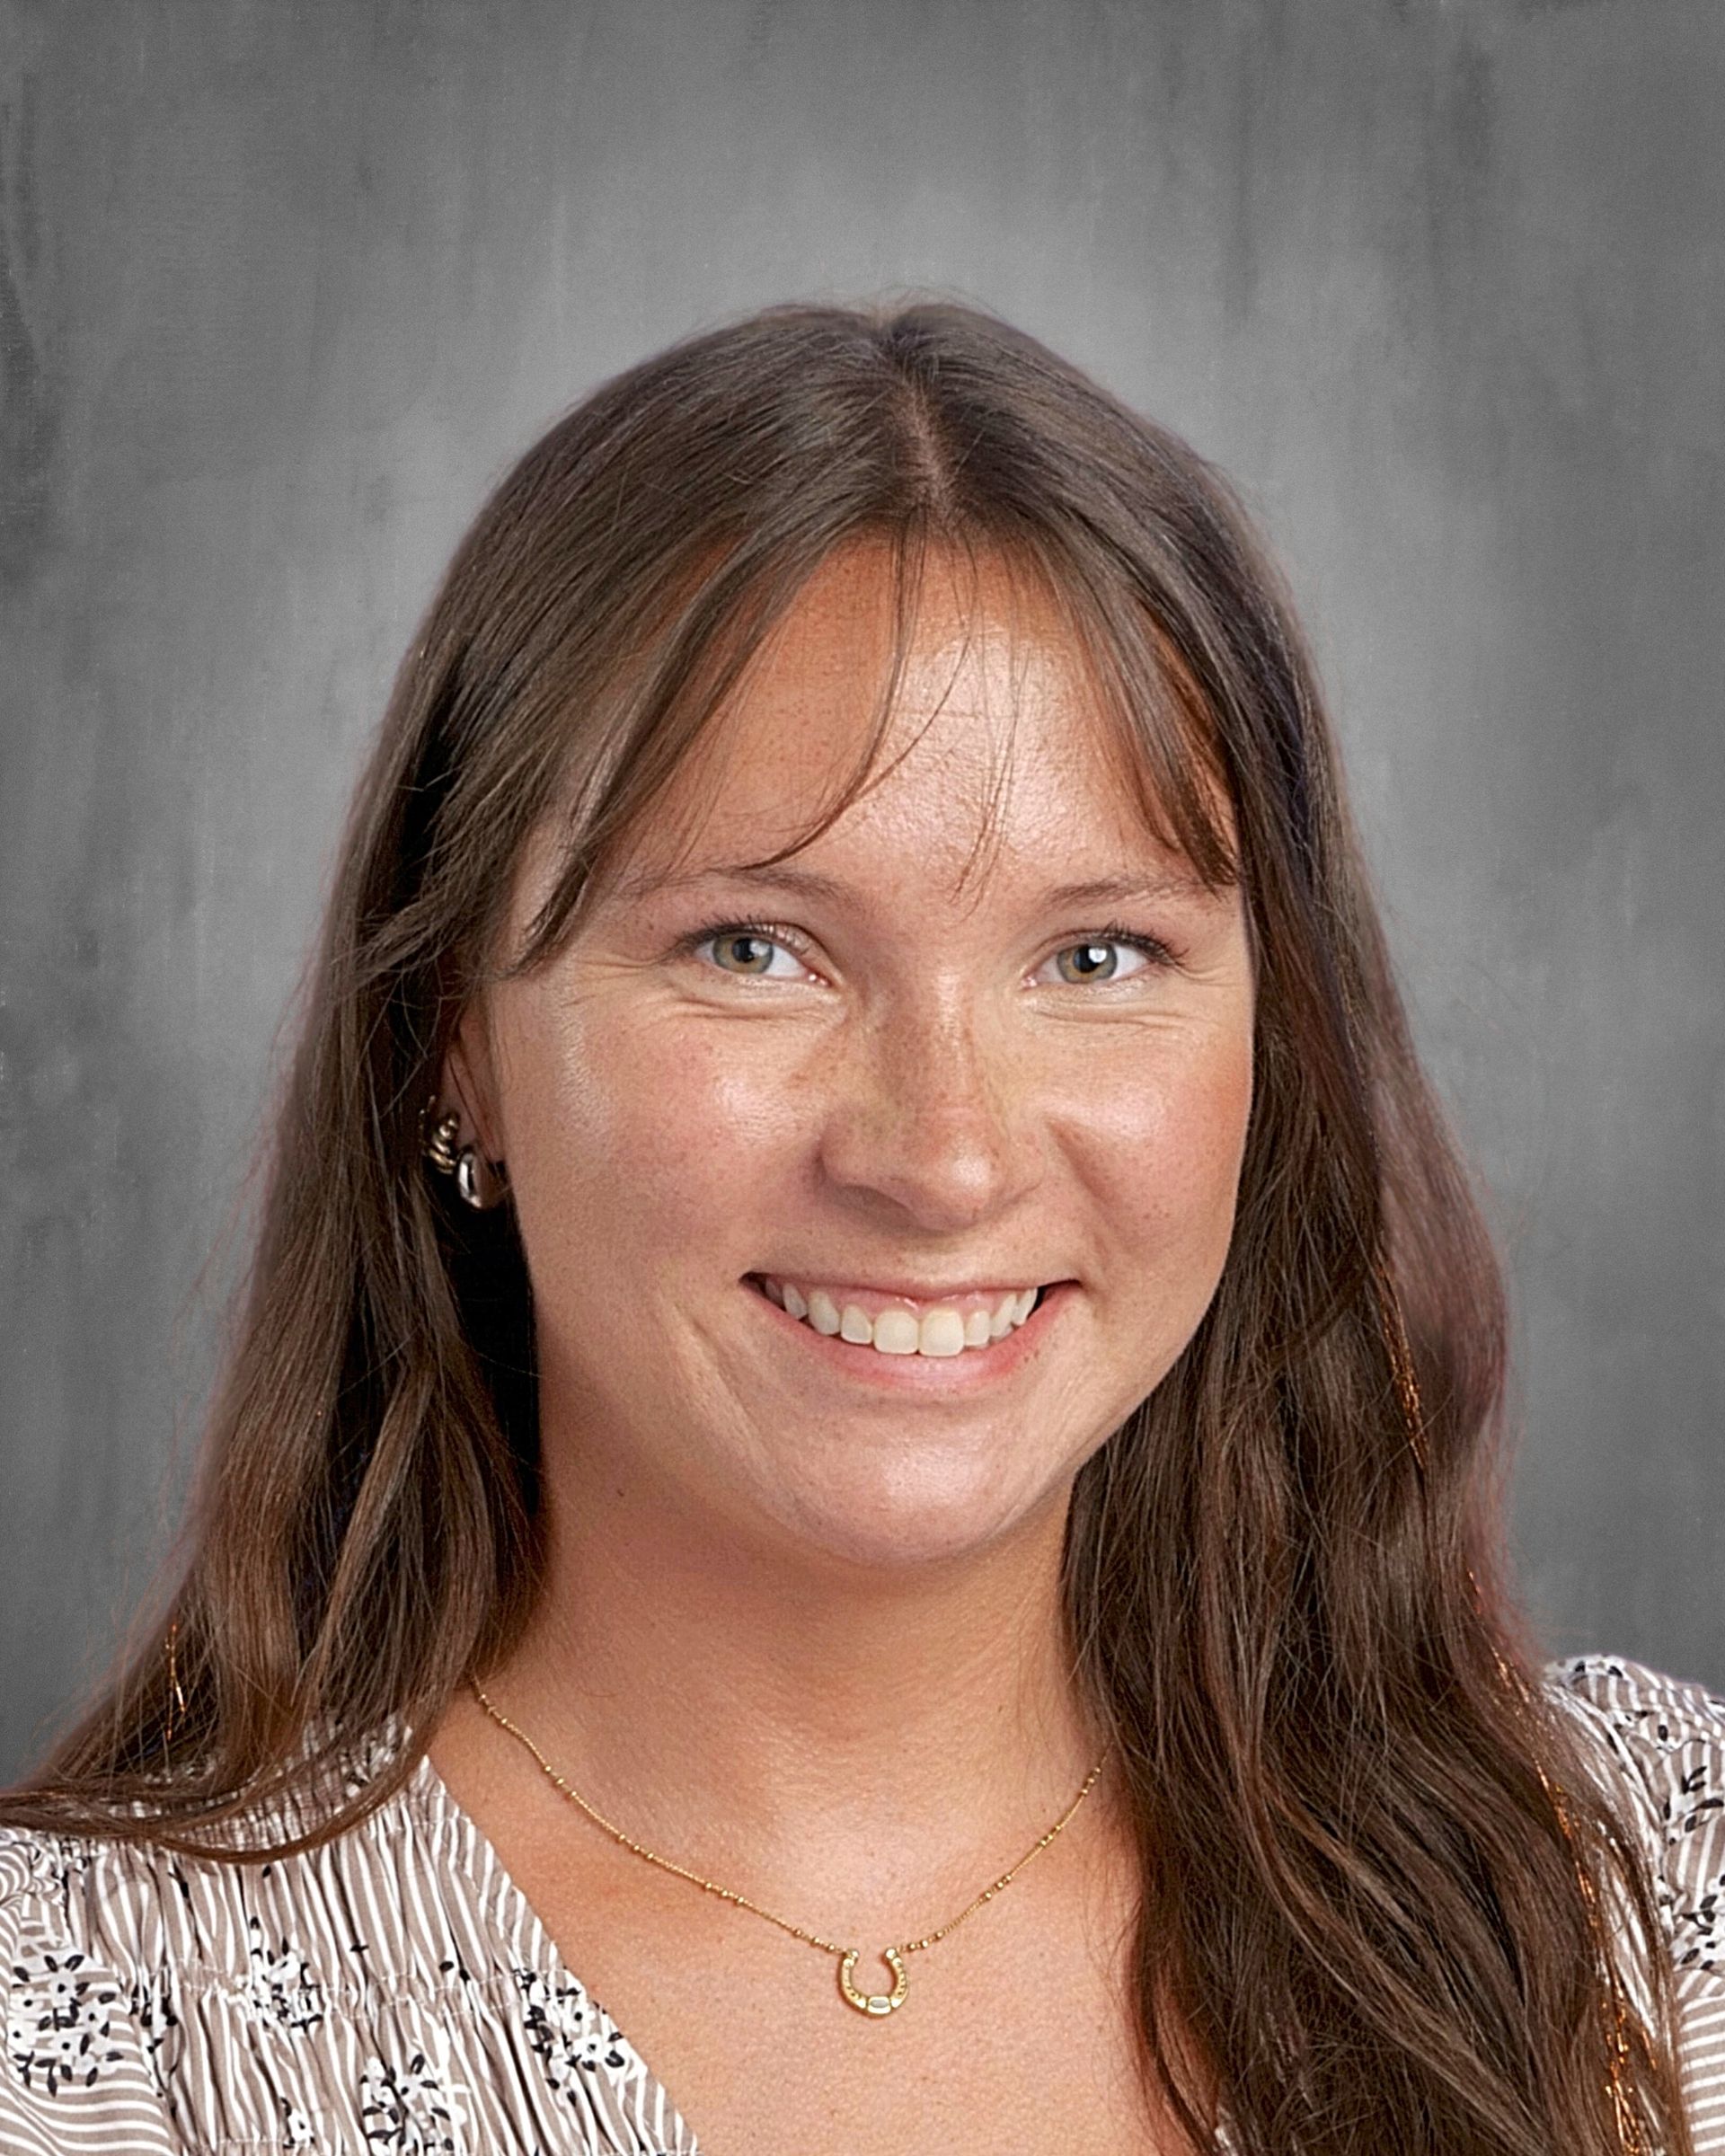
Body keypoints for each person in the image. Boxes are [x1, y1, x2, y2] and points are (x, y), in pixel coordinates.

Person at [1, 302, 1720, 2156]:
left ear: (1269, 1048)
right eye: (755, 948)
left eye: (1098, 954)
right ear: (457, 1050)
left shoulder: (1638, 1908)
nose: (946, 1159)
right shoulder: (90, 2038)